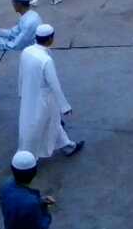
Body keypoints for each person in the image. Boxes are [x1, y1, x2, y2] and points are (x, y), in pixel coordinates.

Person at [18, 24, 84, 159]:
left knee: (53, 123)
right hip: (45, 100)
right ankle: (28, 159)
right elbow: (54, 85)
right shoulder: (46, 60)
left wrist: (21, 92)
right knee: (40, 127)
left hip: (29, 95)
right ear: (50, 39)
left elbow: (21, 74)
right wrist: (64, 106)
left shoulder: (27, 51)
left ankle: (68, 146)